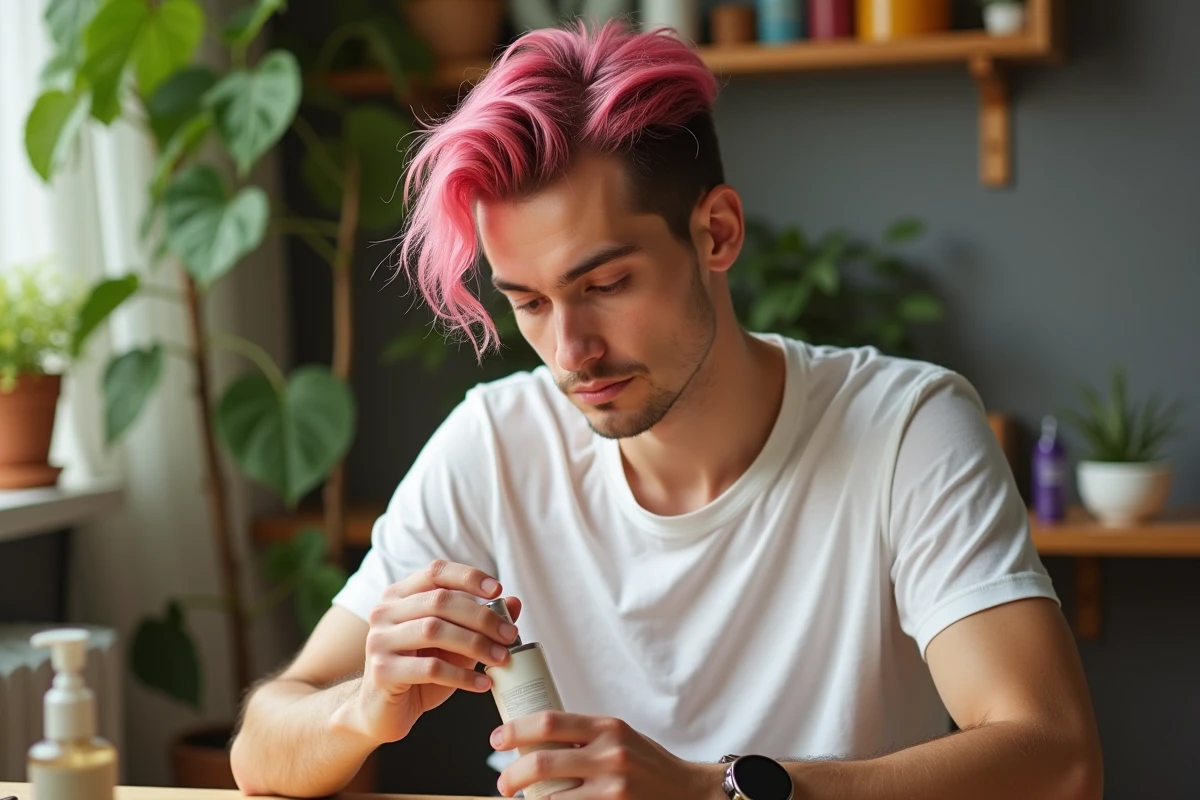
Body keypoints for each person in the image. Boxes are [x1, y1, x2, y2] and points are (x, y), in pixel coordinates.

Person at [230, 20, 1103, 800]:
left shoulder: (905, 428)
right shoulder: (496, 442)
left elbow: (1057, 759)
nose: (569, 350)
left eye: (605, 284)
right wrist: (362, 709)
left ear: (716, 232)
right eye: (528, 302)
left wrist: (712, 792)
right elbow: (263, 745)